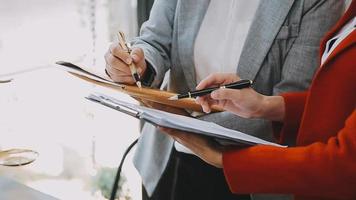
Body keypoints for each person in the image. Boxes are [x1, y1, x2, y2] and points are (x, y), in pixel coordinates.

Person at [105, 1, 343, 200]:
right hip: (166, 158)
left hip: (251, 173)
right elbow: (154, 41)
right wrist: (138, 63)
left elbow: (295, 102)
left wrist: (193, 128)